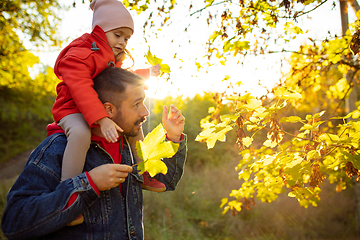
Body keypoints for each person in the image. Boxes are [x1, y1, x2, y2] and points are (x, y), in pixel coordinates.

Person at [1, 67, 187, 240]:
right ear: (109, 110)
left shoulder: (129, 144)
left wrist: (174, 137)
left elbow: (165, 181)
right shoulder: (58, 149)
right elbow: (14, 222)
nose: (145, 111)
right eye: (137, 104)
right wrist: (89, 184)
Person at [52, 0, 164, 220]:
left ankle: (143, 170)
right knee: (81, 134)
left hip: (99, 108)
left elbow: (117, 81)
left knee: (134, 126)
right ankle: (68, 198)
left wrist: (145, 73)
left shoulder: (110, 56)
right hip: (72, 108)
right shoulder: (82, 51)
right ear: (100, 30)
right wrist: (101, 119)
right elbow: (81, 88)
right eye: (118, 35)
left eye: (126, 38)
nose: (122, 42)